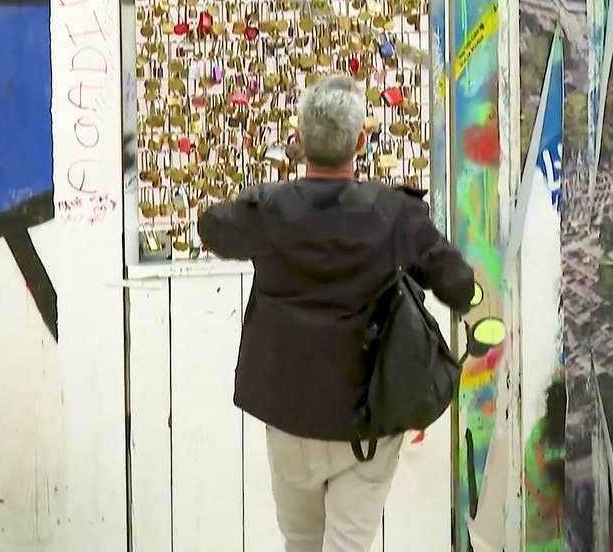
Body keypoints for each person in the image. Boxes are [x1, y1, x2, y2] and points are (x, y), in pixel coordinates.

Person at [196, 75, 477, 552]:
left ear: (299, 141)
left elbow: (212, 228)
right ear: (361, 142)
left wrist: (266, 194)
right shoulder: (395, 215)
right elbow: (458, 285)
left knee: (300, 541)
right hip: (366, 418)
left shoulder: (269, 210)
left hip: (288, 415)